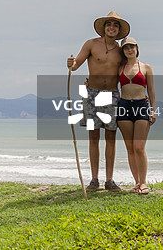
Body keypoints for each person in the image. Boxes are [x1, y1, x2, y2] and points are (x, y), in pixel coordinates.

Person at [67, 11, 130, 192]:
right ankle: (94, 179)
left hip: (112, 94)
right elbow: (76, 64)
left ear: (119, 30)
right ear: (104, 27)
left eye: (115, 25)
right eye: (109, 24)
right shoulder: (91, 44)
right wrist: (70, 63)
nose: (112, 27)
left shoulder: (121, 51)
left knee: (111, 138)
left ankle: (109, 179)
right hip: (91, 93)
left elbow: (128, 71)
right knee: (93, 137)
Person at [116, 36, 156, 194]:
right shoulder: (119, 68)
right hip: (124, 106)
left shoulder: (146, 67)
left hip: (141, 106)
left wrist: (153, 110)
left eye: (132, 47)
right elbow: (109, 84)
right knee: (130, 148)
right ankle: (137, 182)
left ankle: (144, 182)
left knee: (139, 147)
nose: (130, 50)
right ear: (123, 51)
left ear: (137, 48)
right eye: (126, 47)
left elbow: (151, 90)